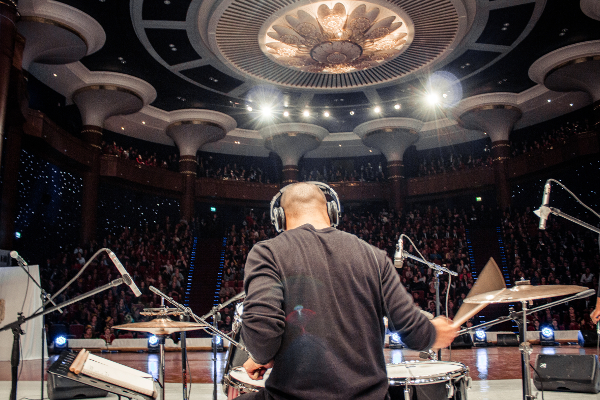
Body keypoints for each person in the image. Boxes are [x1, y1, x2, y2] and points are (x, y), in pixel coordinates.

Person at [239, 182, 457, 400]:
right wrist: (435, 332)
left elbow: (263, 335)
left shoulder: (267, 253)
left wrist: (262, 355)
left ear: (279, 217)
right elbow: (414, 332)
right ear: (332, 212)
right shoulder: (375, 257)